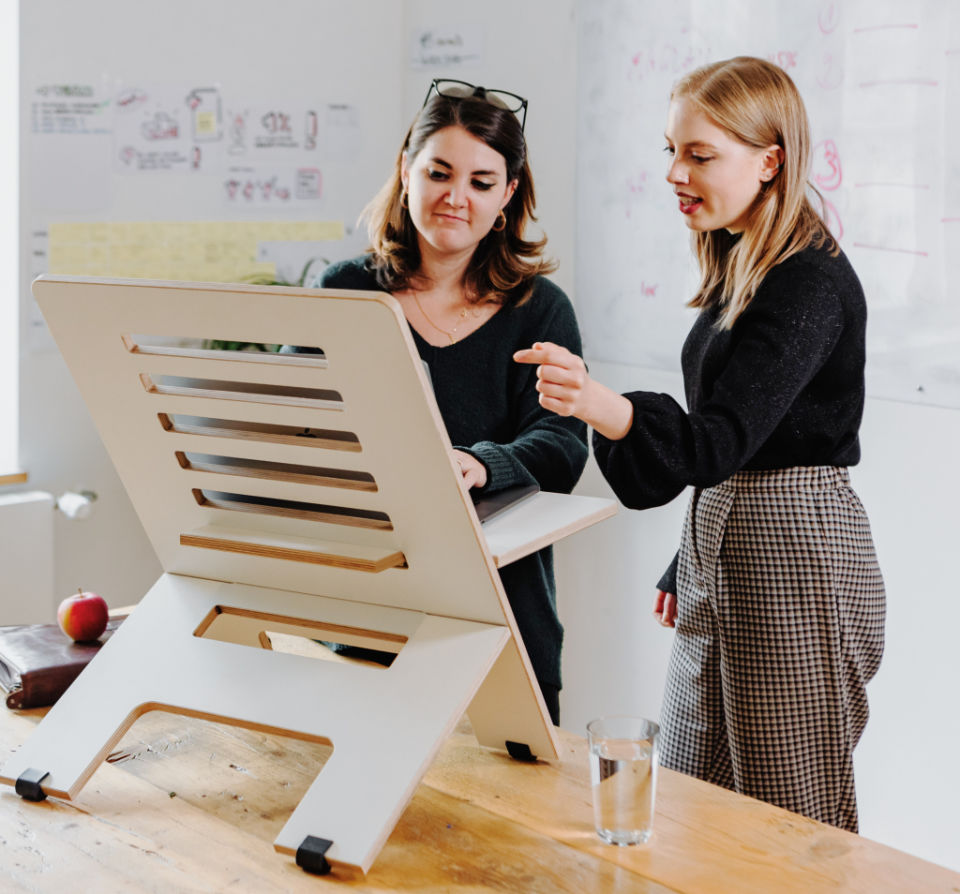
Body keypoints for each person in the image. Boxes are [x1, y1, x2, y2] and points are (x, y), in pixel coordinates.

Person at [515, 57, 885, 830]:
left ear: (770, 158)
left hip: (795, 545)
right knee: (697, 792)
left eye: (700, 155)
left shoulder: (806, 282)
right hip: (732, 534)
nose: (676, 173)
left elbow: (719, 439)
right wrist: (691, 554)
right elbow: (739, 442)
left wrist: (600, 404)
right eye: (671, 151)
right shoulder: (744, 261)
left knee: (792, 812)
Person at [290, 79, 588, 725]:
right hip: (367, 614)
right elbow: (296, 424)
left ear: (508, 196)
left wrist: (481, 465)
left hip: (503, 619)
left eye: (482, 182)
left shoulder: (540, 309)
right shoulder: (346, 290)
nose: (456, 198)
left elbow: (565, 444)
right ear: (406, 171)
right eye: (439, 173)